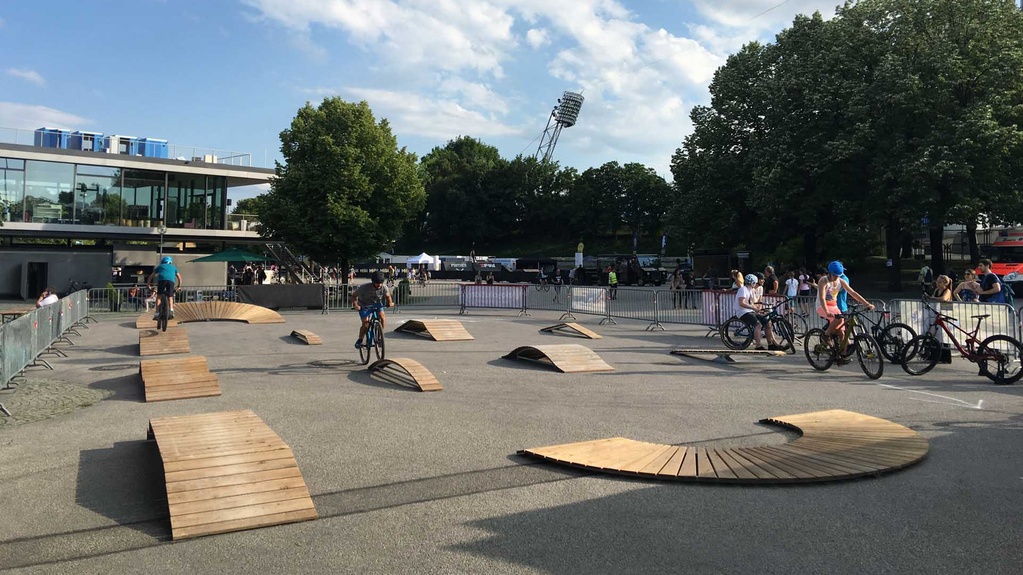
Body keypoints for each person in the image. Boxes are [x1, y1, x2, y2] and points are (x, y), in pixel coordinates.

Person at [817, 261, 874, 362]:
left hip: (834, 306)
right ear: (829, 273)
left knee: (842, 332)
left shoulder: (841, 281)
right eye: (835, 275)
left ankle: (842, 355)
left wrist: (866, 303)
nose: (836, 278)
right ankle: (826, 335)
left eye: (838, 275)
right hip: (822, 306)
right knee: (840, 319)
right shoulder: (823, 280)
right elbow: (821, 297)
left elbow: (853, 293)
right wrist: (826, 311)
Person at [732, 271, 781, 350]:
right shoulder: (743, 290)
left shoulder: (750, 290)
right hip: (742, 312)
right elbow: (742, 303)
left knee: (767, 322)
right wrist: (753, 308)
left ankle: (770, 344)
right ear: (751, 283)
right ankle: (758, 345)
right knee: (758, 324)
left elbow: (751, 302)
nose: (755, 284)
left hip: (749, 311)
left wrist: (758, 309)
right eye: (754, 283)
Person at [353, 271, 393, 349]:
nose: (379, 285)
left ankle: (380, 338)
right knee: (366, 323)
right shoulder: (364, 287)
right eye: (377, 283)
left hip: (377, 304)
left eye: (381, 283)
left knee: (382, 316)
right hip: (364, 305)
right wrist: (356, 305)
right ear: (373, 282)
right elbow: (354, 296)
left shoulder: (384, 287)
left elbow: (388, 296)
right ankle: (360, 339)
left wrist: (390, 303)